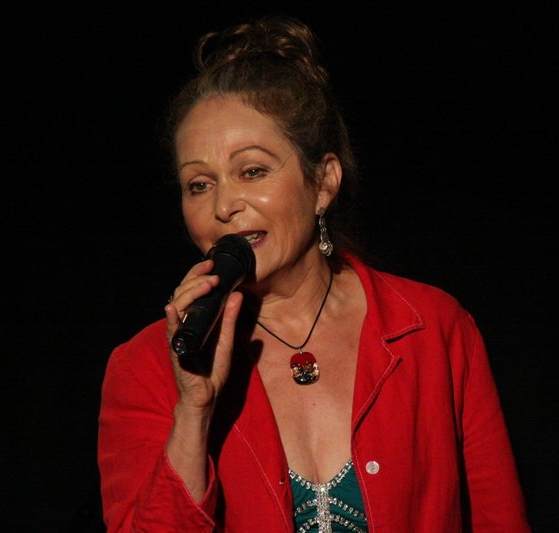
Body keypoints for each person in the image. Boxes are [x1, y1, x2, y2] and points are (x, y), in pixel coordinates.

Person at [97, 13, 531, 532]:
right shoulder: (145, 365)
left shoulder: (433, 328)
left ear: (323, 182)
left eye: (252, 171)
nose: (224, 206)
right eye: (199, 184)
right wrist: (193, 412)